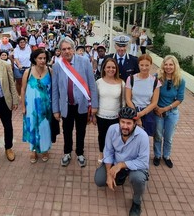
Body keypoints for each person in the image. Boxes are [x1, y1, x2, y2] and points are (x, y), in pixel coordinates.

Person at [52, 37, 98, 167]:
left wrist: (94, 105)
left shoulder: (84, 62)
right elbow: (55, 90)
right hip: (66, 106)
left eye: (69, 48)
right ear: (60, 51)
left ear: (73, 49)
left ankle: (80, 153)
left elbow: (92, 84)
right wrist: (55, 109)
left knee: (81, 130)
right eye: (63, 49)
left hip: (82, 105)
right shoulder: (57, 66)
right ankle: (67, 152)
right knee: (66, 131)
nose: (67, 51)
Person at [94, 107, 149, 216]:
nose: (125, 126)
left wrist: (121, 165)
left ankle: (137, 202)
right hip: (116, 163)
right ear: (118, 121)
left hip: (134, 166)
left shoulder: (143, 136)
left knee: (137, 178)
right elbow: (108, 151)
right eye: (122, 122)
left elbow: (143, 162)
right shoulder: (112, 129)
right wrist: (109, 174)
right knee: (99, 180)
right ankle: (119, 178)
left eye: (129, 123)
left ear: (135, 124)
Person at [21, 48, 57, 163]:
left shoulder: (50, 71)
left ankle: (45, 150)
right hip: (31, 106)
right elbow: (22, 89)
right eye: (40, 58)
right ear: (34, 59)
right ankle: (33, 151)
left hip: (46, 107)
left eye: (44, 58)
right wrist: (23, 106)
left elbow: (55, 90)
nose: (42, 60)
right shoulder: (28, 72)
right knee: (32, 127)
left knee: (45, 128)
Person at [152, 55, 186, 168]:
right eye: (166, 64)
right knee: (157, 135)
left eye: (171, 64)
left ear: (175, 66)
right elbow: (151, 94)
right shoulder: (157, 77)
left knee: (168, 137)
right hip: (158, 112)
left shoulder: (180, 80)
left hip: (172, 113)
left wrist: (165, 109)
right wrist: (157, 108)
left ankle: (166, 156)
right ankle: (157, 156)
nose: (168, 67)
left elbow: (180, 99)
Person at [94, 58, 124, 162]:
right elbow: (95, 99)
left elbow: (124, 101)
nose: (111, 69)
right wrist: (93, 115)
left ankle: (113, 154)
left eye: (113, 67)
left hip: (116, 116)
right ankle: (101, 153)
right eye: (108, 67)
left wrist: (123, 117)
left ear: (116, 69)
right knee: (102, 135)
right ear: (104, 68)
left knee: (115, 137)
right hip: (101, 115)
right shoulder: (98, 82)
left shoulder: (121, 83)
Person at [125, 54, 161, 134]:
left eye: (147, 65)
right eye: (141, 65)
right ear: (138, 65)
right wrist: (136, 116)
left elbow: (154, 102)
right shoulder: (131, 79)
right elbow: (128, 99)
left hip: (147, 113)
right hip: (132, 112)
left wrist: (140, 114)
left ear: (151, 65)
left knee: (144, 140)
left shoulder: (155, 82)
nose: (144, 68)